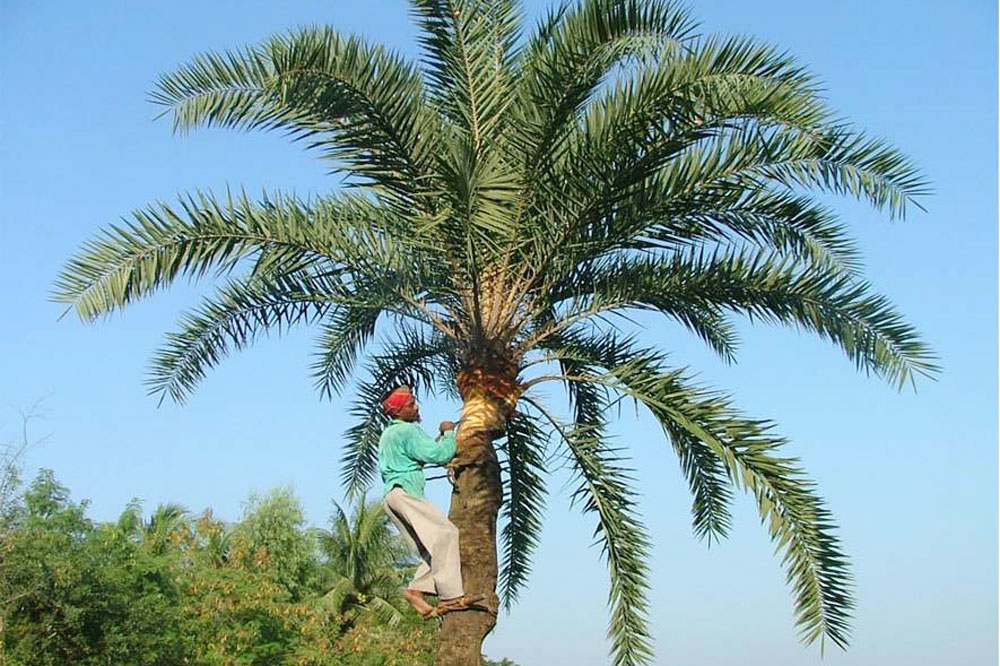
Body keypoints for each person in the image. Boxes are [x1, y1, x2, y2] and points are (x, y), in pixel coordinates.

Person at [378, 385, 482, 618]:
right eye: (411, 404)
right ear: (399, 412)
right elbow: (439, 455)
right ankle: (452, 596)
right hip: (406, 493)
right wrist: (447, 433)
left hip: (392, 497)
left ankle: (417, 591)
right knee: (446, 534)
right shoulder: (407, 431)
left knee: (431, 549)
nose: (416, 407)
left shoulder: (388, 434)